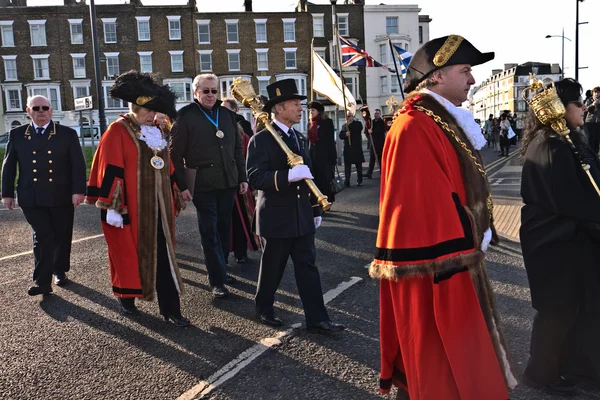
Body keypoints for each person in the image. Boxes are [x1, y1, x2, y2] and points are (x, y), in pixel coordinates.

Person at [369, 35, 517, 399]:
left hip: (455, 259)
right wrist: (467, 238)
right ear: (436, 76)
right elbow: (422, 208)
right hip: (437, 270)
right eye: (465, 70)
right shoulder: (415, 125)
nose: (471, 79)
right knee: (438, 365)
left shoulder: (436, 120)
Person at [85, 71, 189, 326]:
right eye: (149, 111)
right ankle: (126, 296)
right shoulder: (117, 130)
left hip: (160, 210)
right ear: (136, 107)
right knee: (127, 256)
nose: (154, 116)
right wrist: (112, 207)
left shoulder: (157, 132)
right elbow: (109, 169)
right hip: (129, 208)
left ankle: (171, 310)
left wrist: (175, 192)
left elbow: (168, 168)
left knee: (165, 257)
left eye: (156, 111)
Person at [520, 78, 600, 396]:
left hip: (572, 241)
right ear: (561, 109)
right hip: (555, 245)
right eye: (578, 103)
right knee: (558, 310)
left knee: (576, 308)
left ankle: (574, 369)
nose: (584, 107)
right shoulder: (551, 146)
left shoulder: (568, 141)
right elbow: (570, 200)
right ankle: (540, 374)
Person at [246, 79, 345, 334]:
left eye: (300, 104)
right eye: (294, 104)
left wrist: (314, 210)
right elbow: (255, 177)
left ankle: (317, 318)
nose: (301, 108)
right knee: (272, 268)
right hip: (276, 218)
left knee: (308, 269)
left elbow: (308, 178)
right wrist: (286, 176)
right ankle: (264, 307)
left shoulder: (299, 138)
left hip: (301, 216)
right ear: (278, 108)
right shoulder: (262, 140)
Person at [170, 74, 248, 299]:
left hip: (228, 182)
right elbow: (175, 155)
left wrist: (242, 178)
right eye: (206, 91)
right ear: (196, 93)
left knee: (224, 229)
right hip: (202, 184)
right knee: (209, 231)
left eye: (214, 91)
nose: (210, 95)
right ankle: (216, 280)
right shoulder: (184, 116)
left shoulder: (226, 115)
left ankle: (221, 269)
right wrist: (182, 185)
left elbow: (237, 150)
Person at [1, 95, 86, 296]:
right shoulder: (17, 134)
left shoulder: (67, 134)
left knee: (61, 235)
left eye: (45, 107)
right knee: (43, 236)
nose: (41, 111)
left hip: (61, 195)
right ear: (28, 111)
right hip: (31, 196)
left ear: (51, 110)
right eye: (36, 108)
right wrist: (7, 193)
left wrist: (79, 191)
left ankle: (60, 270)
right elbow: (9, 166)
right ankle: (42, 281)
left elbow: (78, 165)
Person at [221, 98, 258, 264]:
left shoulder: (243, 136)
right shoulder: (216, 132)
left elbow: (248, 161)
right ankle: (222, 256)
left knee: (240, 220)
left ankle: (240, 252)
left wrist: (246, 181)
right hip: (221, 185)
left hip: (239, 187)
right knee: (222, 223)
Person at [307, 100, 337, 203]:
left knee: (325, 180)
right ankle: (318, 201)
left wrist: (333, 158)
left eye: (313, 110)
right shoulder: (309, 124)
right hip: (313, 156)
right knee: (315, 180)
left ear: (319, 111)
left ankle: (327, 201)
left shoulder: (327, 122)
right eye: (310, 110)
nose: (311, 112)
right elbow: (308, 141)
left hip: (325, 157)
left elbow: (330, 141)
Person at [339, 111, 364, 187]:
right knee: (347, 166)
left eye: (350, 116)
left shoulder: (357, 124)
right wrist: (345, 134)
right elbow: (341, 135)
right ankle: (347, 181)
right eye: (348, 116)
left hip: (356, 147)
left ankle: (359, 179)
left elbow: (358, 129)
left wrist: (350, 126)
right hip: (348, 148)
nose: (349, 118)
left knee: (358, 166)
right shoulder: (344, 126)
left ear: (353, 117)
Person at [365, 108, 386, 179]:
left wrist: (372, 132)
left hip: (380, 143)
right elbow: (366, 131)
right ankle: (369, 173)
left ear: (379, 114)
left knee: (380, 159)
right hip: (373, 143)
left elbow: (381, 131)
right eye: (375, 113)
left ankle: (382, 172)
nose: (376, 115)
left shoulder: (382, 122)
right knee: (372, 159)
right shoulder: (371, 122)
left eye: (377, 113)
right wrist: (369, 136)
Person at [584, 86, 600, 154]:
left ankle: (596, 154)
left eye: (598, 92)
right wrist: (593, 104)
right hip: (590, 122)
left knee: (597, 139)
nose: (597, 94)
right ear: (592, 93)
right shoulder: (589, 100)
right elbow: (586, 109)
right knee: (590, 139)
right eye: (595, 92)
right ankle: (590, 154)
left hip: (598, 122)